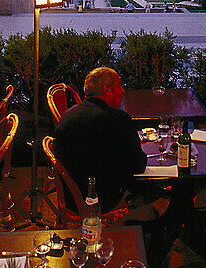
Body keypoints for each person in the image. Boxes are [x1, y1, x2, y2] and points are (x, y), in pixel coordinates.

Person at [53, 66, 146, 212]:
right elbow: (138, 166)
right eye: (119, 85)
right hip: (102, 200)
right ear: (107, 90)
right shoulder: (118, 120)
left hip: (70, 198)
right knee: (162, 187)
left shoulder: (67, 115)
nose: (122, 90)